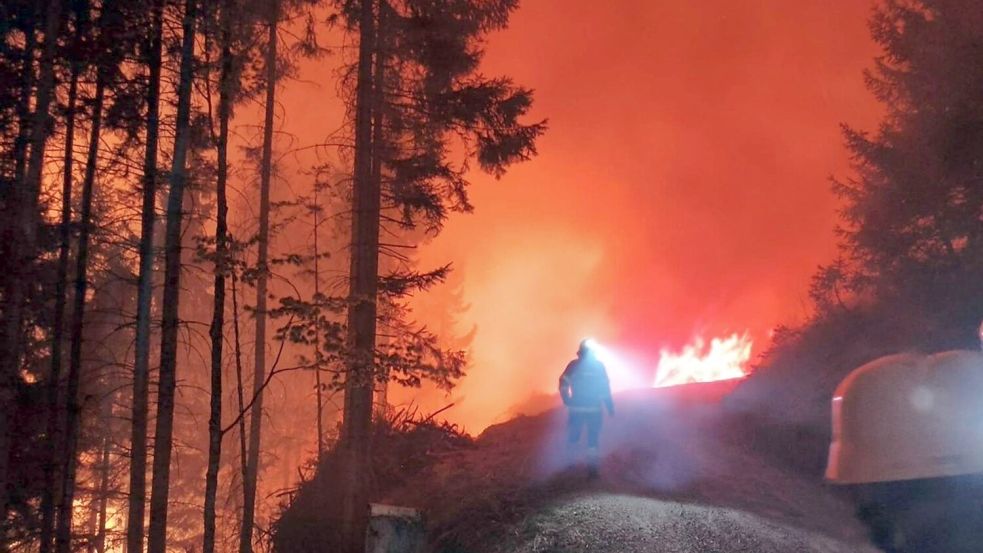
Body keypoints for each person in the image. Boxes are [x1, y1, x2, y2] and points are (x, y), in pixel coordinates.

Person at [558, 339, 614, 477]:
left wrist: (566, 399)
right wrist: (609, 406)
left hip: (576, 410)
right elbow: (605, 389)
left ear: (580, 351)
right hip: (594, 410)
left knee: (573, 437)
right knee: (592, 441)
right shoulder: (599, 366)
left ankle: (570, 466)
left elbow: (563, 382)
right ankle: (592, 470)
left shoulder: (573, 365)